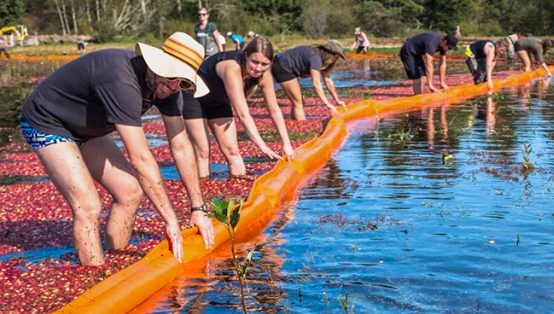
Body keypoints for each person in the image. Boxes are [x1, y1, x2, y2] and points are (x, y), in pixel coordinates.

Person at [19, 32, 214, 266]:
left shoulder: (170, 90)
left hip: (86, 129)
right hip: (48, 121)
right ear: (156, 64)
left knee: (130, 191)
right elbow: (140, 158)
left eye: (183, 82)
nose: (174, 85)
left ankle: (117, 262)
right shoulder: (121, 79)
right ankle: (94, 278)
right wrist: (171, 219)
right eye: (172, 75)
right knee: (88, 206)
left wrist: (198, 208)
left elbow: (181, 146)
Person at [181, 35, 294, 178]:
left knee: (233, 150)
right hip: (193, 96)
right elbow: (243, 114)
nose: (258, 68)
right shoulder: (232, 67)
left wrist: (287, 144)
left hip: (218, 102)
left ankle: (239, 186)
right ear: (246, 55)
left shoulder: (264, 75)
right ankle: (203, 189)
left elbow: (274, 110)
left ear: (270, 62)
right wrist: (262, 146)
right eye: (254, 62)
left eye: (264, 64)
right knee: (203, 150)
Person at [271, 40, 347, 120]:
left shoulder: (321, 59)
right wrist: (327, 104)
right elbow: (316, 83)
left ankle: (294, 123)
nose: (337, 59)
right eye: (337, 56)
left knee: (299, 102)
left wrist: (337, 99)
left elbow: (327, 80)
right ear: (331, 54)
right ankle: (300, 126)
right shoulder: (315, 58)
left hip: (287, 67)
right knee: (298, 103)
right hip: (281, 67)